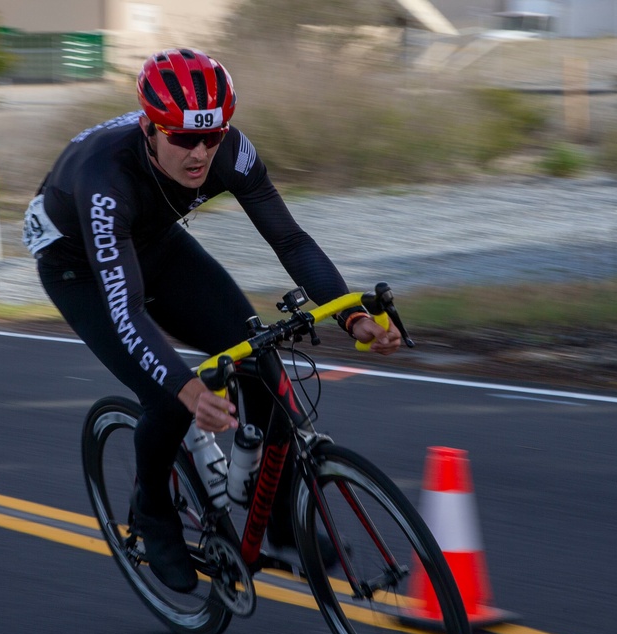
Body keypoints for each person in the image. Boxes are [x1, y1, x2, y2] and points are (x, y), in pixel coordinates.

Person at [24, 48, 400, 592]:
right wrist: (184, 385)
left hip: (153, 241)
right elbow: (125, 310)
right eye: (182, 139)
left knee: (261, 363)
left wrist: (350, 314)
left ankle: (276, 518)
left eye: (213, 136)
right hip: (78, 265)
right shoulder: (104, 179)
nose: (200, 153)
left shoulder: (231, 151)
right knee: (168, 395)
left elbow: (290, 239)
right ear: (150, 127)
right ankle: (152, 509)